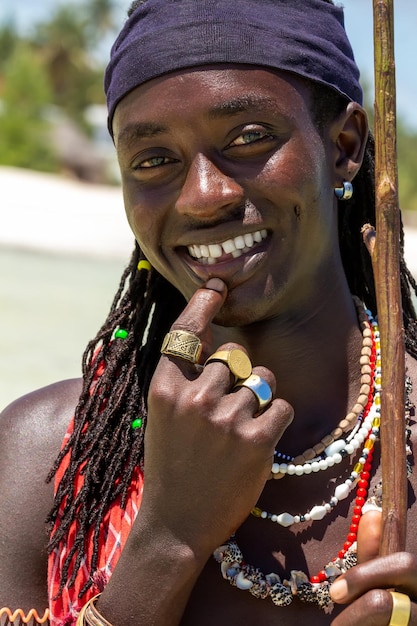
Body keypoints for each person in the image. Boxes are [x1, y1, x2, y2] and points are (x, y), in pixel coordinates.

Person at [1, 0, 417, 624]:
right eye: (153, 160)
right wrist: (168, 535)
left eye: (249, 138)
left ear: (345, 146)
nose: (204, 198)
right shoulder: (45, 459)